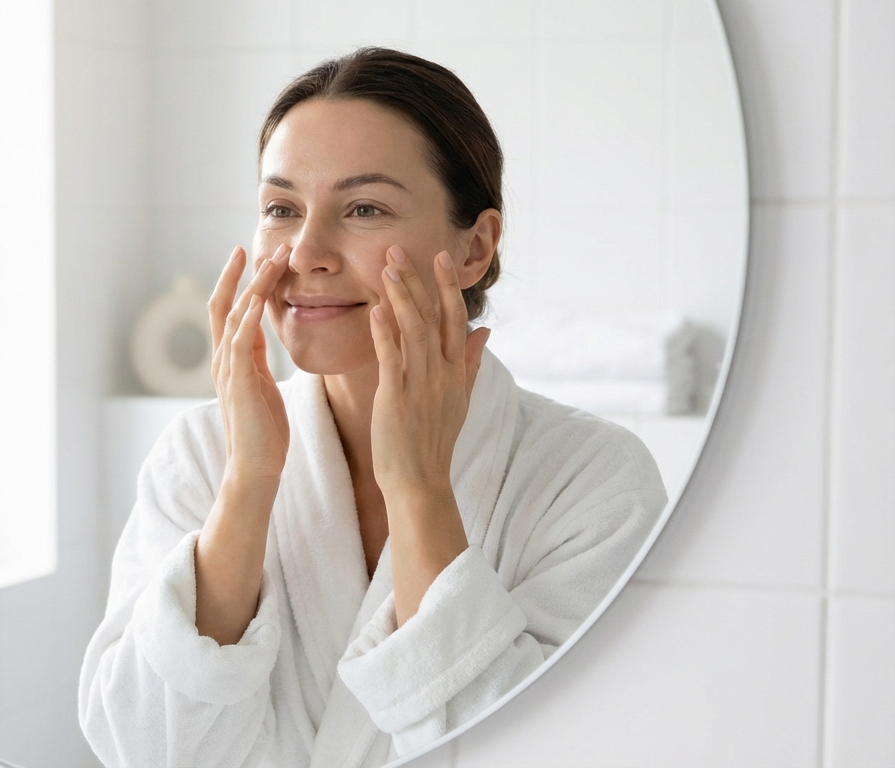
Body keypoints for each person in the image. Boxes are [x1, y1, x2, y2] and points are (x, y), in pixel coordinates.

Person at [79, 47, 667, 767]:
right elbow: (142, 747)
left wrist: (419, 489)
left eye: (363, 208)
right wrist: (249, 482)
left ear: (476, 247)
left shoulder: (593, 481)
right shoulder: (200, 456)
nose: (305, 252)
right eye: (281, 208)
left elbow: (556, 749)